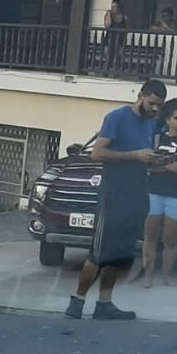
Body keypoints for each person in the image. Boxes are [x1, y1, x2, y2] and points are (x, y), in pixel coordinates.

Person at [66, 79, 166, 321]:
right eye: (152, 103)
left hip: (137, 194)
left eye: (158, 106)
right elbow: (97, 153)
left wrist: (157, 161)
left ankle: (105, 303)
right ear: (140, 95)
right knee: (100, 252)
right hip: (114, 195)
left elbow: (143, 157)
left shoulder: (150, 124)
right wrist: (135, 155)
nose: (154, 110)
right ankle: (77, 302)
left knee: (121, 253)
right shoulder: (116, 118)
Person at [130, 99, 177, 288]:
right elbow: (149, 164)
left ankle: (167, 275)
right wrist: (174, 163)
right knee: (149, 237)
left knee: (170, 239)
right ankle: (148, 276)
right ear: (168, 120)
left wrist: (163, 164)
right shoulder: (158, 139)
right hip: (154, 193)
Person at [103, 0, 128, 71]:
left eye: (114, 6)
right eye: (111, 6)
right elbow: (107, 25)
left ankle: (115, 73)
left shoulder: (124, 17)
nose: (112, 8)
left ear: (119, 7)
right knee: (108, 57)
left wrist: (124, 41)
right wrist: (108, 14)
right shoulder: (108, 15)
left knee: (117, 58)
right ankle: (105, 72)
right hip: (109, 40)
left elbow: (127, 29)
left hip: (120, 41)